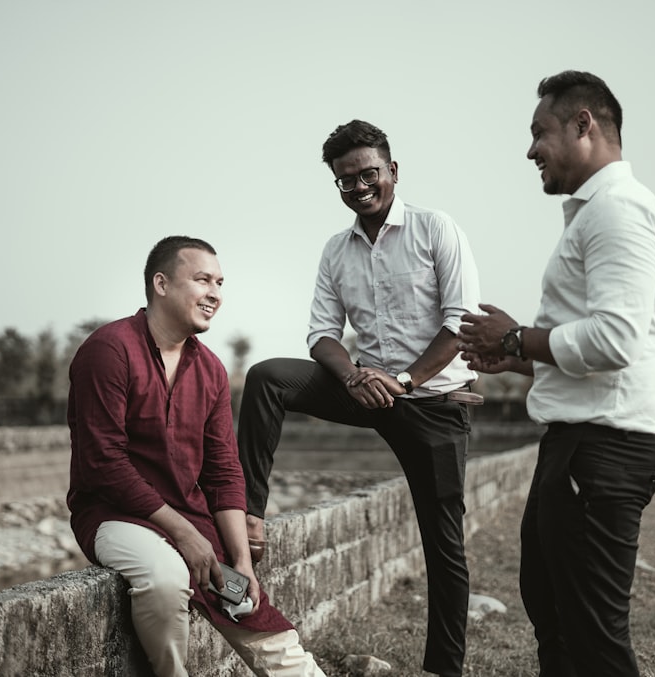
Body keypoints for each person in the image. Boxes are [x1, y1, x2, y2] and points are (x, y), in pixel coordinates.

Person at [457, 71, 655, 676]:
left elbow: (616, 340)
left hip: (605, 448)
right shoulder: (596, 213)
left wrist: (515, 336)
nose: (530, 149)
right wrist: (525, 357)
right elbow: (600, 349)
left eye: (540, 132)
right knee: (554, 614)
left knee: (593, 642)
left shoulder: (619, 213)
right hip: (583, 441)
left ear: (584, 124)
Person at [238, 120, 482, 676]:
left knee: (444, 547)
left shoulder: (434, 228)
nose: (359, 187)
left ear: (392, 171)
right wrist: (352, 377)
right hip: (365, 390)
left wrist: (407, 382)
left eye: (368, 174)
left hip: (432, 402)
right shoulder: (336, 250)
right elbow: (322, 332)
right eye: (345, 180)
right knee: (267, 377)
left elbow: (460, 321)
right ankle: (248, 513)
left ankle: (444, 669)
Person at [66, 236, 326, 677]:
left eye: (220, 282)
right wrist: (184, 534)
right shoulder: (109, 350)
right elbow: (103, 464)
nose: (215, 294)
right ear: (161, 284)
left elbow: (224, 472)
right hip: (114, 515)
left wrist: (241, 559)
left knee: (249, 607)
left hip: (192, 516)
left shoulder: (210, 369)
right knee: (166, 579)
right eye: (202, 279)